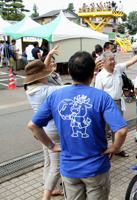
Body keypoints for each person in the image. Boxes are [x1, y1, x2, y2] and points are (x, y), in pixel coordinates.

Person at [27, 51, 128, 200]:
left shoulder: (56, 96)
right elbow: (121, 131)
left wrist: (52, 146)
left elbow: (33, 126)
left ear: (69, 71)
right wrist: (115, 147)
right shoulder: (102, 98)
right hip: (96, 167)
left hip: (69, 169)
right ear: (92, 74)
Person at [95, 45, 137, 156]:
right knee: (104, 129)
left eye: (113, 59)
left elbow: (131, 62)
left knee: (118, 128)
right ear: (104, 62)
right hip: (106, 105)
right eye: (110, 60)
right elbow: (98, 95)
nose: (113, 62)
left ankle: (117, 149)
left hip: (118, 102)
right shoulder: (100, 76)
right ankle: (104, 150)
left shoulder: (118, 68)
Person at [24, 47, 64, 200]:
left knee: (48, 161)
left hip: (41, 131)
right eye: (45, 74)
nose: (47, 74)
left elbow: (40, 70)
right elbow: (67, 89)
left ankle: (48, 186)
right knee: (56, 167)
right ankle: (46, 196)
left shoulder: (30, 89)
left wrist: (48, 57)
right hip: (53, 130)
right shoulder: (47, 91)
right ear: (40, 77)